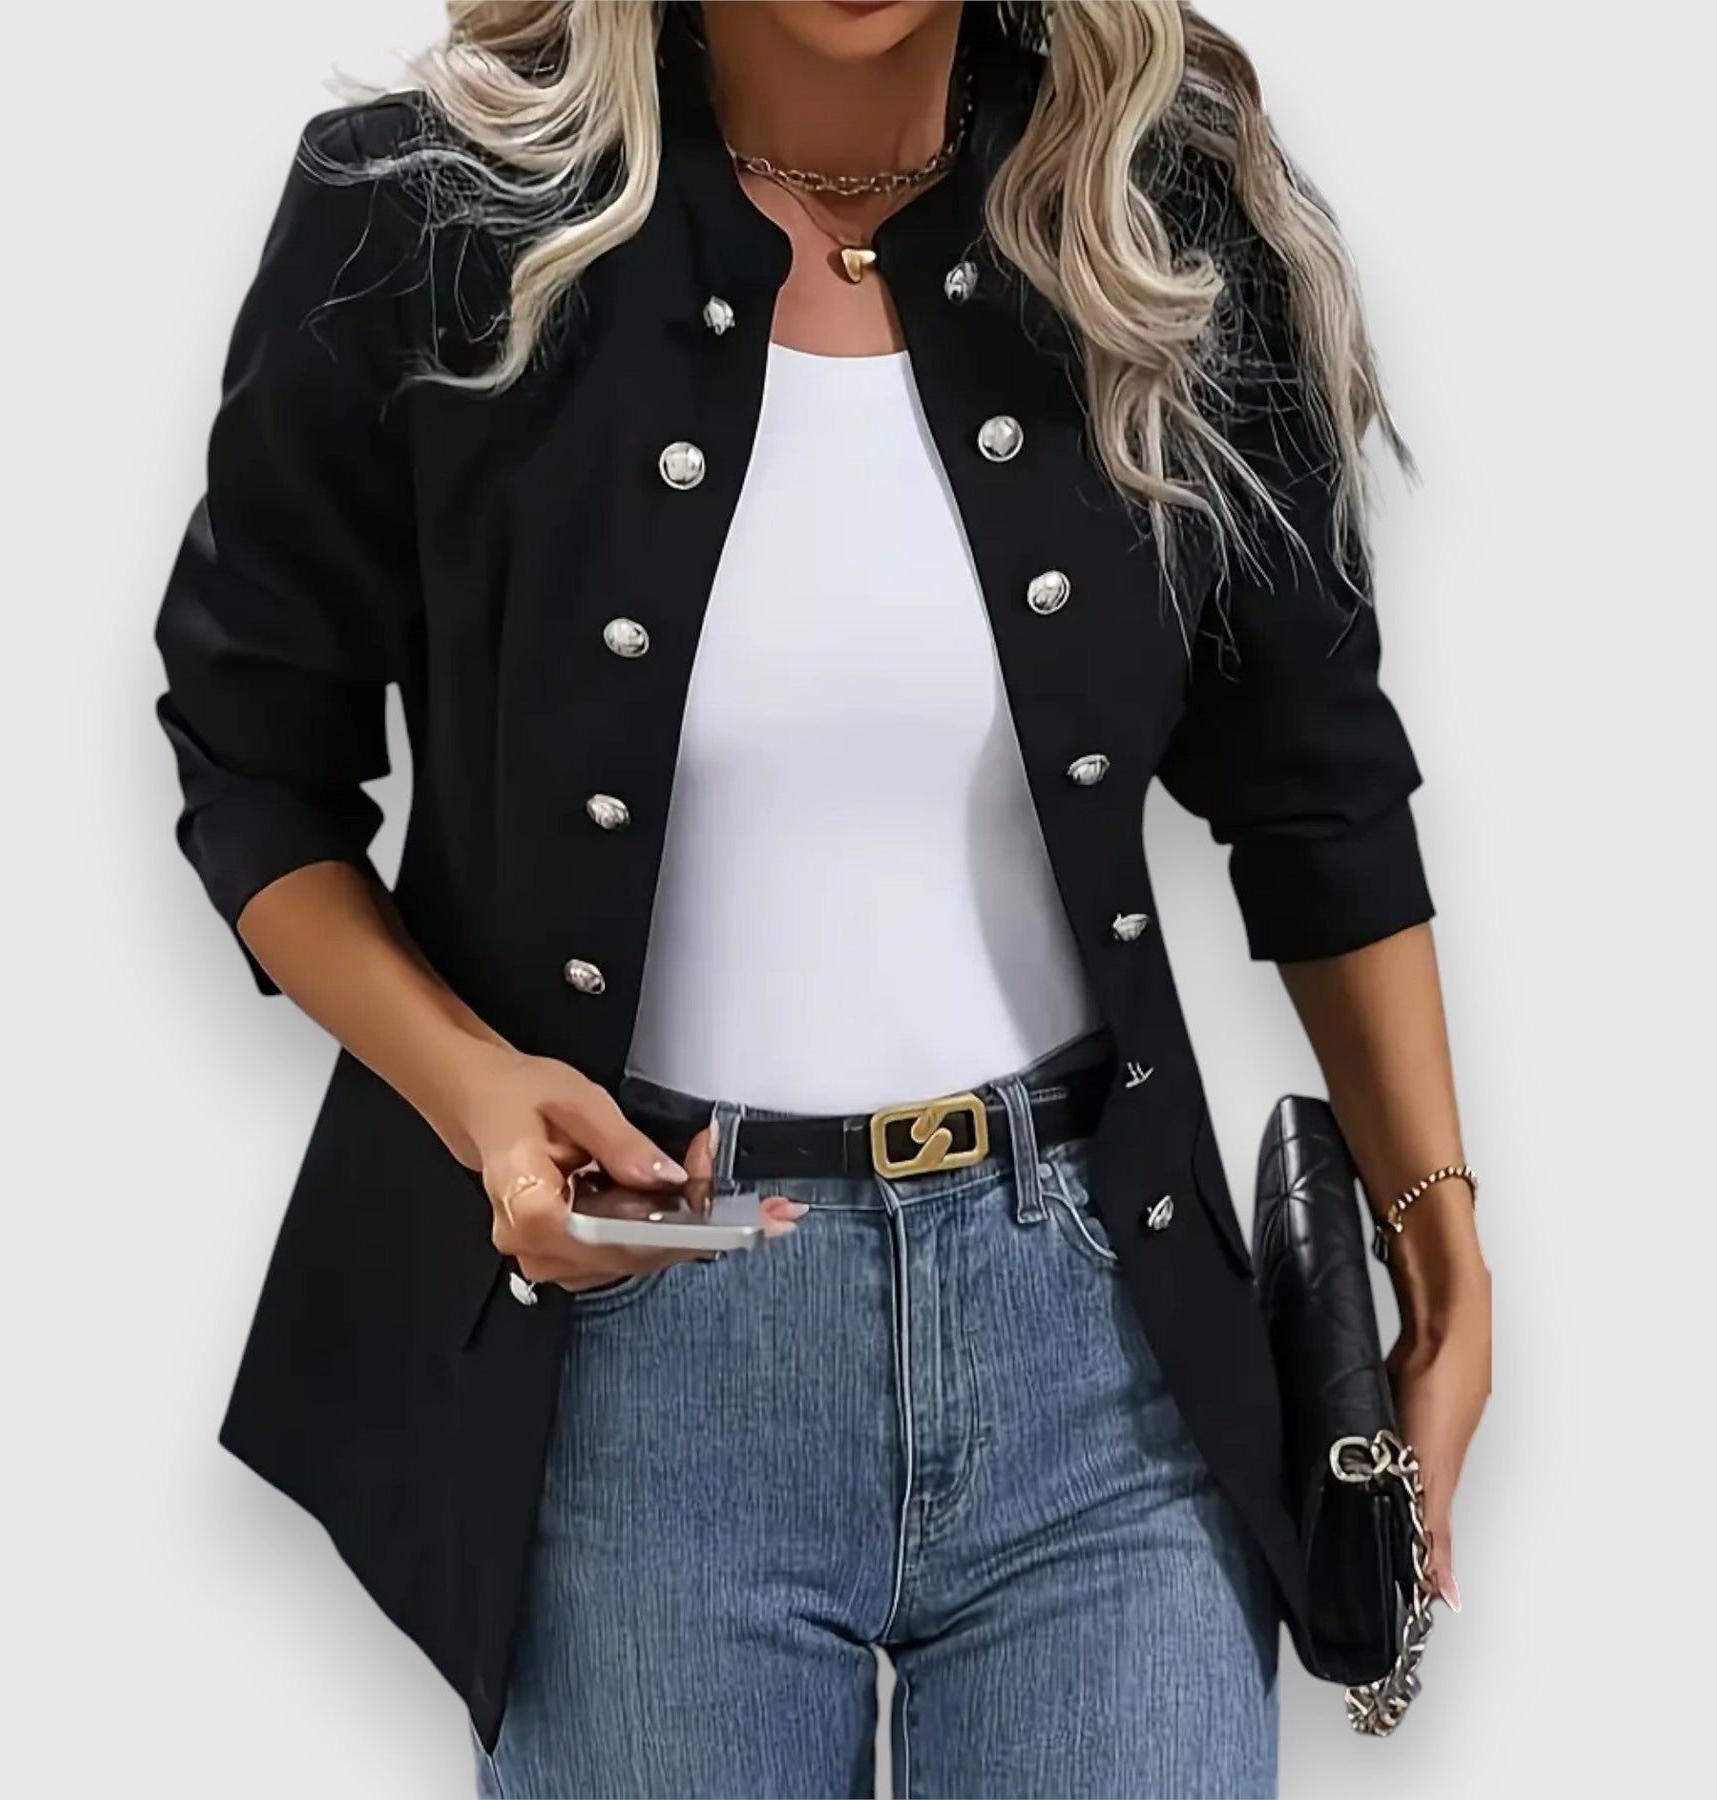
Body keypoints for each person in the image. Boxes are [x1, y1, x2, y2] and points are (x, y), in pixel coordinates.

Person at [151, 3, 1492, 1794]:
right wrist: (475, 1094)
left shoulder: (1152, 207)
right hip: (639, 1340)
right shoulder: (424, 214)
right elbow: (255, 767)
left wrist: (1440, 1249)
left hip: (1098, 1339)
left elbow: (1316, 787)